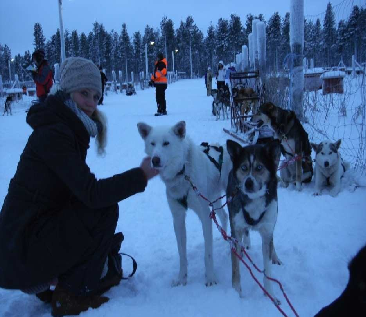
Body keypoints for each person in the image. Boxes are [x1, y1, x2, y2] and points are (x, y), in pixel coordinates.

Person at [0, 57, 159, 316]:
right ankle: (70, 294)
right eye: (84, 93)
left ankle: (59, 278)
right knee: (104, 209)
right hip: (20, 249)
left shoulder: (66, 126)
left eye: (96, 96)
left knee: (91, 211)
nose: (91, 103)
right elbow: (92, 194)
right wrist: (140, 175)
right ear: (67, 90)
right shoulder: (56, 132)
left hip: (23, 243)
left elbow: (69, 195)